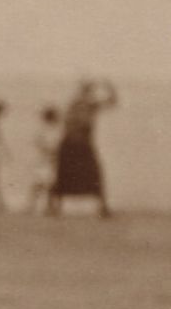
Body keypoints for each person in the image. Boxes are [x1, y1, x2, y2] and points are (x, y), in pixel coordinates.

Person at [49, 78, 119, 218]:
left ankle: (57, 207)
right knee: (75, 175)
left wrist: (110, 87)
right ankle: (101, 208)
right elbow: (111, 102)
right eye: (88, 90)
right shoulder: (82, 104)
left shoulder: (78, 104)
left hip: (75, 144)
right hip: (77, 144)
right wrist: (110, 87)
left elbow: (112, 102)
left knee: (78, 175)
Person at [25, 105, 62, 215]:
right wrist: (49, 151)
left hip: (51, 159)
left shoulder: (55, 129)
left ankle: (48, 207)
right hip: (43, 159)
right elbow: (40, 143)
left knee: (50, 184)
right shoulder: (44, 130)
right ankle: (31, 206)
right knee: (40, 183)